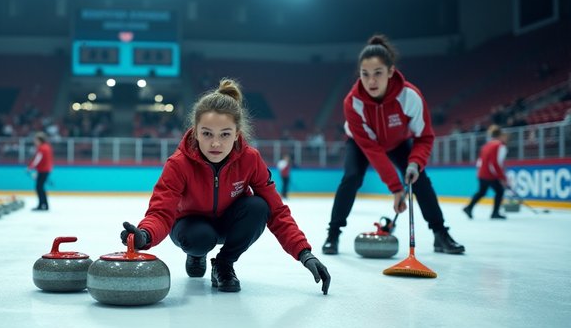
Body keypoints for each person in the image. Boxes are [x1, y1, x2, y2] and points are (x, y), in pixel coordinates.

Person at [119, 79, 330, 294]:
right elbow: (161, 212)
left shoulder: (250, 160)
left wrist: (304, 253)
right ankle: (196, 254)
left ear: (237, 133)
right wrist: (145, 235)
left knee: (259, 207)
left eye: (225, 134)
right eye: (207, 133)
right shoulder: (178, 164)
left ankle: (224, 264)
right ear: (195, 131)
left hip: (228, 224)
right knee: (200, 239)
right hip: (190, 227)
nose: (216, 143)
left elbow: (277, 211)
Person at [322, 35, 464, 255]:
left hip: (398, 142)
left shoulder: (410, 96)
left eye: (378, 73)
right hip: (362, 144)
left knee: (421, 180)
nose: (371, 82)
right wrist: (396, 188)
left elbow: (424, 136)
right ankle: (333, 234)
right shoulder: (353, 103)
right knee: (351, 177)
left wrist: (415, 163)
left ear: (390, 71)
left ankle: (440, 233)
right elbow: (372, 149)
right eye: (365, 74)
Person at [463, 125, 509, 219]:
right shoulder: (500, 146)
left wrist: (480, 172)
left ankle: (469, 207)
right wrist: (502, 178)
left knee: (481, 192)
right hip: (490, 174)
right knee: (499, 191)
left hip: (482, 173)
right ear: (500, 135)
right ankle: (495, 213)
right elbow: (496, 163)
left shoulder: (486, 145)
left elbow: (480, 161)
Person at [26, 131, 53, 211]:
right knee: (41, 187)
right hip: (46, 169)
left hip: (43, 170)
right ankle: (44, 204)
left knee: (39, 187)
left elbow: (37, 159)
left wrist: (30, 167)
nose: (35, 142)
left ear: (39, 140)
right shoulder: (47, 147)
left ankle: (42, 205)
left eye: (36, 140)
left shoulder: (42, 148)